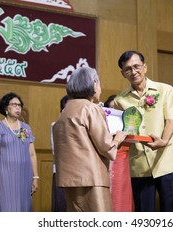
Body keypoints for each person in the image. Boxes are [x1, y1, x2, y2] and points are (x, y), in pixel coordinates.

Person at [113, 50, 173, 212]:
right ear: (123, 73)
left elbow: (171, 119)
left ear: (145, 67)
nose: (133, 71)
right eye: (128, 69)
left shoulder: (165, 90)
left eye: (137, 66)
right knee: (144, 213)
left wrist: (164, 141)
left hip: (166, 161)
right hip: (139, 165)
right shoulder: (119, 100)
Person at [53, 66, 127, 212]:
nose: (100, 87)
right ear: (93, 84)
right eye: (98, 83)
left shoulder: (65, 111)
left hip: (70, 179)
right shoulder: (91, 108)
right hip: (92, 177)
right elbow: (106, 147)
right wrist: (117, 139)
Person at [0, 92, 39, 212]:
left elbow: (32, 154)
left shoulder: (26, 128)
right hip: (4, 178)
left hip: (24, 176)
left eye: (19, 105)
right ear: (6, 108)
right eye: (14, 104)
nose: (18, 107)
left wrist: (35, 177)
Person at [104, 94, 134, 212]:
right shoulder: (102, 125)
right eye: (111, 109)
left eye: (117, 109)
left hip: (125, 164)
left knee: (124, 198)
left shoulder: (128, 123)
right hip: (108, 162)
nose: (114, 112)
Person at [50, 95, 69, 212]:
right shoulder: (55, 125)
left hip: (78, 174)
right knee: (61, 207)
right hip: (61, 172)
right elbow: (56, 151)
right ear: (62, 110)